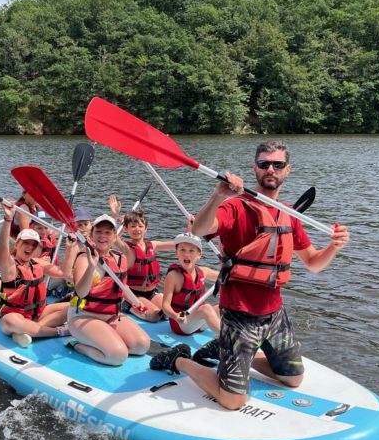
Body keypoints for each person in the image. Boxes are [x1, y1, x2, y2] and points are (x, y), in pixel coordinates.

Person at [150, 141, 350, 411]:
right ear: (255, 168)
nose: (270, 169)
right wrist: (219, 195)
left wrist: (333, 247)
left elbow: (314, 263)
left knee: (293, 378)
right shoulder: (235, 206)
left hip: (275, 314)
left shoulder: (289, 215)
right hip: (240, 314)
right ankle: (179, 360)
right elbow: (199, 230)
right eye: (264, 163)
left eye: (277, 164)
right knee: (233, 400)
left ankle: (224, 350)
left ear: (287, 170)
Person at [67, 214, 150, 366]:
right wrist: (92, 267)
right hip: (84, 315)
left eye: (108, 232)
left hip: (111, 314)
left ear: (114, 237)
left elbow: (122, 287)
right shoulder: (84, 258)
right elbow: (81, 293)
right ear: (91, 234)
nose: (103, 236)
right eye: (98, 231)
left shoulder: (120, 258)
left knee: (141, 346)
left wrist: (135, 302)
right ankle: (77, 345)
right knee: (117, 356)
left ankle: (104, 337)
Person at [0, 203, 70, 347]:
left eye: (33, 245)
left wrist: (71, 249)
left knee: (72, 307)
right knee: (11, 322)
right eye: (26, 243)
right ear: (17, 244)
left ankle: (32, 330)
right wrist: (7, 219)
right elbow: (3, 246)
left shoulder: (38, 263)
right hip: (15, 315)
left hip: (36, 314)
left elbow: (64, 273)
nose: (29, 247)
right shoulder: (10, 265)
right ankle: (58, 331)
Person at [109, 197, 177, 322]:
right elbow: (112, 239)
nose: (137, 229)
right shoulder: (127, 249)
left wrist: (191, 230)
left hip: (152, 292)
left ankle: (150, 306)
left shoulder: (153, 245)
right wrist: (114, 215)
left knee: (171, 312)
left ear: (146, 229)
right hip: (134, 294)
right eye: (133, 226)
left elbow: (176, 244)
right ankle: (127, 305)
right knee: (155, 316)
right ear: (126, 229)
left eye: (140, 226)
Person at [161, 233, 221, 336]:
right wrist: (175, 316)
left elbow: (226, 276)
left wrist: (231, 266)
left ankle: (239, 336)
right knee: (206, 308)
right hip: (181, 324)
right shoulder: (173, 276)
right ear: (176, 253)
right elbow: (165, 305)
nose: (186, 254)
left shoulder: (203, 271)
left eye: (191, 251)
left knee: (225, 306)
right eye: (182, 250)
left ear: (199, 255)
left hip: (197, 322)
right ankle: (229, 342)